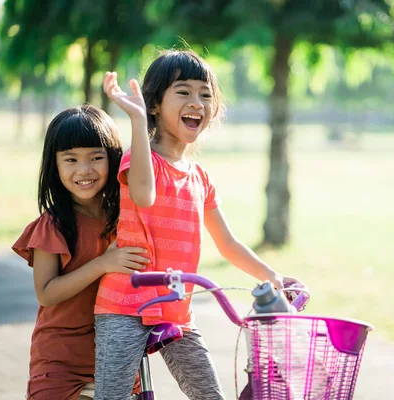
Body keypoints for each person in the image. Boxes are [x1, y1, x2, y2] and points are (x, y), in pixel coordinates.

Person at [94, 49, 302, 400]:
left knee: (210, 395)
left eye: (205, 94)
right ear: (155, 105)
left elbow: (229, 244)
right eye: (184, 91)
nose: (197, 101)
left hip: (177, 310)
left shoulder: (199, 178)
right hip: (125, 304)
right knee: (112, 396)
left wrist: (272, 277)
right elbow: (143, 195)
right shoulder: (141, 159)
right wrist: (137, 121)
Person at [12, 104, 148, 400]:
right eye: (70, 159)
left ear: (113, 160)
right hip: (60, 361)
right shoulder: (54, 225)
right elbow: (47, 292)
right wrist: (103, 264)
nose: (84, 170)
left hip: (116, 357)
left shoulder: (125, 220)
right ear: (54, 164)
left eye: (96, 158)